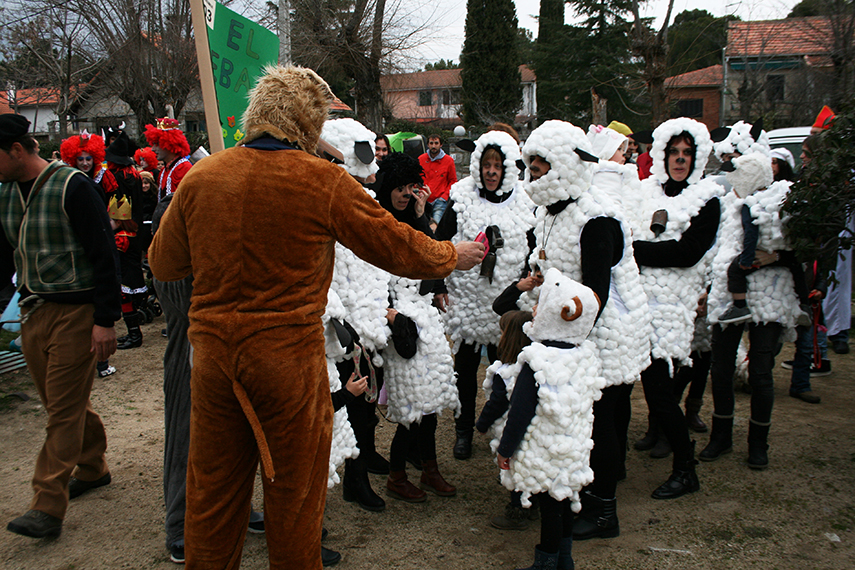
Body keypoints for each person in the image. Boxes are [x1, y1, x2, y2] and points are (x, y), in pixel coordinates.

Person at [148, 65, 484, 569]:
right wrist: (449, 255)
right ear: (309, 123)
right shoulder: (321, 180)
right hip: (286, 362)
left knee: (213, 499)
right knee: (295, 502)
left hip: (215, 361)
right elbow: (392, 244)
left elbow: (162, 262)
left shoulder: (203, 176)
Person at [520, 120, 650, 540]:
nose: (533, 178)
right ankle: (589, 492)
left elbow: (596, 292)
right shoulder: (551, 211)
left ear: (565, 166)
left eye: (541, 170)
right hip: (574, 332)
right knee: (590, 421)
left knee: (603, 421)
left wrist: (552, 317)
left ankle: (604, 511)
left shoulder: (597, 219)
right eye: (531, 169)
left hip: (606, 334)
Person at [0, 114, 121, 538]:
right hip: (34, 311)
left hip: (77, 313)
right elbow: (8, 251)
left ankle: (47, 505)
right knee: (60, 404)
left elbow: (105, 254)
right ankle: (92, 467)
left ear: (17, 150)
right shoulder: (6, 192)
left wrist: (105, 320)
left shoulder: (73, 186)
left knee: (63, 412)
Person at [631, 117, 723, 499]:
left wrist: (635, 252)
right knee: (627, 388)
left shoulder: (707, 199)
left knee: (659, 390)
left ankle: (686, 469)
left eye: (687, 154)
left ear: (697, 157)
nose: (680, 159)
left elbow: (687, 254)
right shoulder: (644, 191)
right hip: (634, 302)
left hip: (670, 310)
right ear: (663, 155)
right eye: (674, 152)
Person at [435, 129, 536, 461]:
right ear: (477, 165)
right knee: (463, 372)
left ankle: (498, 427)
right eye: (486, 164)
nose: (491, 171)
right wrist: (439, 282)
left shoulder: (525, 202)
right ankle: (463, 430)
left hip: (505, 307)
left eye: (498, 165)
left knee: (505, 372)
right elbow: (442, 244)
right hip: (465, 305)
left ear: (507, 168)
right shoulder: (461, 196)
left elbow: (533, 251)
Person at [702, 148, 806, 470]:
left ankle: (758, 444)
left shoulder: (780, 204)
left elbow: (800, 248)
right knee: (720, 369)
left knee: (761, 373)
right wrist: (708, 287)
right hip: (729, 294)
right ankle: (721, 436)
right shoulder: (728, 205)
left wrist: (774, 257)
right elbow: (718, 249)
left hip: (770, 296)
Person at [496, 269, 606, 570]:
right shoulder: (584, 356)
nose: (534, 309)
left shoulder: (537, 361)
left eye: (539, 304)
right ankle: (564, 559)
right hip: (574, 447)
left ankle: (546, 562)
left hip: (545, 452)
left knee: (550, 508)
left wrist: (505, 449)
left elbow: (520, 411)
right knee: (565, 501)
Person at [375, 152, 459, 503]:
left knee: (431, 404)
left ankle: (429, 468)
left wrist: (422, 217)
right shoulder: (376, 223)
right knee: (411, 405)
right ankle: (396, 475)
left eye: (410, 187)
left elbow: (433, 257)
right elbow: (372, 278)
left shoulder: (415, 216)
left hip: (426, 319)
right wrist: (390, 314)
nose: (404, 195)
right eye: (398, 188)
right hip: (400, 323)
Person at [321, 118, 390, 512]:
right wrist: (339, 324)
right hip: (341, 331)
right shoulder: (327, 209)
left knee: (365, 404)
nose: (374, 169)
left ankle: (363, 466)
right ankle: (355, 479)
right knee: (350, 405)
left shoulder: (365, 204)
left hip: (367, 322)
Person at [715, 153, 809, 326]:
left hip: (762, 260)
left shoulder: (749, 203)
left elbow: (751, 232)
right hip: (784, 253)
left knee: (735, 271)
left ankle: (740, 306)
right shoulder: (779, 197)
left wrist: (747, 258)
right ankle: (805, 304)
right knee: (797, 270)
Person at [476, 310, 535, 531]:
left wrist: (482, 423)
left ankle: (516, 511)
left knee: (513, 467)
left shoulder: (506, 372)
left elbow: (496, 402)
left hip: (510, 430)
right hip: (532, 429)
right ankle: (533, 503)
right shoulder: (533, 367)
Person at [59, 130, 117, 204]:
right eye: (80, 159)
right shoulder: (70, 176)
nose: (85, 163)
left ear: (94, 158)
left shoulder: (104, 175)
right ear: (74, 160)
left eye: (88, 159)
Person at [145, 118, 192, 201]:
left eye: (157, 144)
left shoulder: (184, 167)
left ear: (169, 143)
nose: (153, 149)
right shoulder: (164, 170)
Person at [419, 133, 457, 226]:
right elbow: (417, 178)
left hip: (439, 200)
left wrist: (444, 196)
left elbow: (453, 181)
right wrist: (420, 192)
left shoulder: (448, 161)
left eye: (436, 143)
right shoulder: (421, 159)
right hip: (424, 198)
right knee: (422, 226)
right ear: (428, 145)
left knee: (436, 227)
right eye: (431, 143)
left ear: (441, 145)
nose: (433, 146)